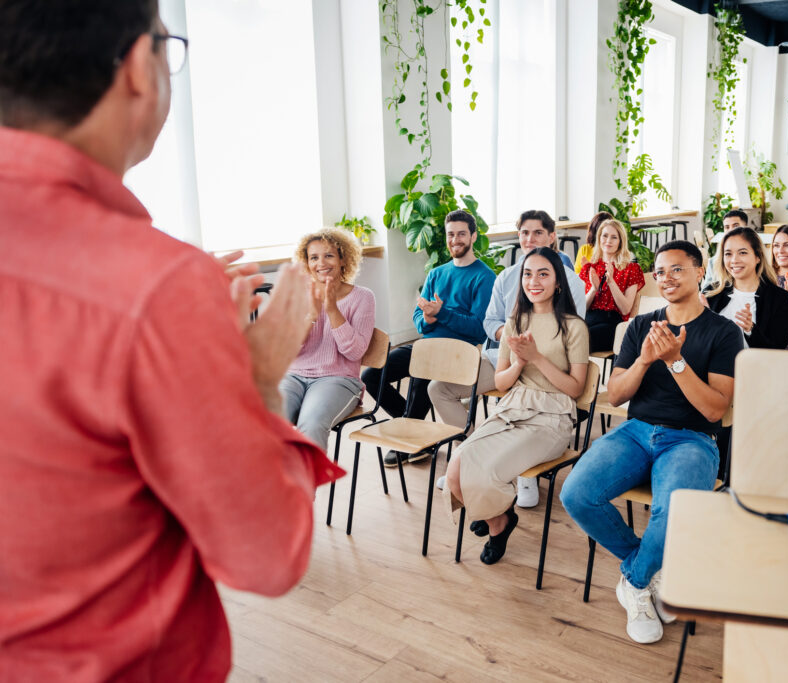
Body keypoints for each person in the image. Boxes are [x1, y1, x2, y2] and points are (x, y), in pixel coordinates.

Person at [0, 4, 344, 681]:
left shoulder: (153, 294)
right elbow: (269, 556)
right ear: (138, 66)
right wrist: (259, 378)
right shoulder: (154, 287)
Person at [560, 240, 744, 644]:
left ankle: (635, 581)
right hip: (636, 431)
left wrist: (675, 361)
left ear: (700, 273)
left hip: (692, 439)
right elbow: (618, 393)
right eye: (660, 272)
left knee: (672, 513)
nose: (666, 278)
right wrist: (645, 359)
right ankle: (647, 570)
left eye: (677, 269)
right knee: (576, 493)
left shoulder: (725, 334)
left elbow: (715, 410)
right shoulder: (642, 325)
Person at [427, 209, 585, 507]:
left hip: (546, 376)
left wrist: (532, 350)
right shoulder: (506, 278)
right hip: (501, 357)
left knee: (522, 405)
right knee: (439, 388)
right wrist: (509, 340)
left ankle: (522, 471)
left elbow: (571, 335)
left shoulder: (570, 282)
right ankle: (476, 450)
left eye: (537, 232)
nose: (529, 239)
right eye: (524, 233)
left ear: (552, 237)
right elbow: (489, 322)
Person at [443, 247, 589, 564]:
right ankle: (501, 517)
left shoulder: (573, 326)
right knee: (456, 469)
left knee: (487, 471)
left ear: (558, 282)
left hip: (552, 417)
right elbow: (502, 382)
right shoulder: (515, 322)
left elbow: (575, 389)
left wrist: (537, 358)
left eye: (543, 273)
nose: (533, 281)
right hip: (512, 408)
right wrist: (520, 363)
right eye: (527, 273)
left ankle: (495, 522)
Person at [361, 209, 495, 467]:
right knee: (371, 376)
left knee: (423, 371)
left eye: (461, 234)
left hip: (459, 354)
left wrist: (442, 313)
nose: (455, 239)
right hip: (427, 345)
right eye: (451, 234)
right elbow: (419, 318)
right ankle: (417, 431)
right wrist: (429, 319)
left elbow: (479, 329)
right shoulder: (436, 273)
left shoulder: (484, 277)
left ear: (473, 236)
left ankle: (412, 439)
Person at [279, 228, 375, 451]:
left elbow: (354, 352)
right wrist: (310, 316)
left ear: (343, 259)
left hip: (338, 379)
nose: (321, 263)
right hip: (293, 375)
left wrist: (332, 310)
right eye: (314, 257)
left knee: (311, 424)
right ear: (307, 262)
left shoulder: (363, 297)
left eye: (329, 255)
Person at [706, 227, 788, 349]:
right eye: (728, 254)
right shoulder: (711, 292)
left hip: (755, 367)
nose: (734, 260)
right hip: (714, 367)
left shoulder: (779, 298)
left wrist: (751, 330)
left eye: (742, 252)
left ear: (758, 257)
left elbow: (777, 348)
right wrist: (702, 321)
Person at [579, 218, 645, 352]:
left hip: (613, 323)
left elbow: (626, 309)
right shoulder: (590, 268)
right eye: (605, 236)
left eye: (614, 237)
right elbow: (581, 309)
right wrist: (593, 289)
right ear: (599, 238)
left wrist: (611, 282)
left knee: (579, 341)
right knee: (567, 336)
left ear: (620, 242)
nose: (608, 240)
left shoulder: (631, 269)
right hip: (589, 317)